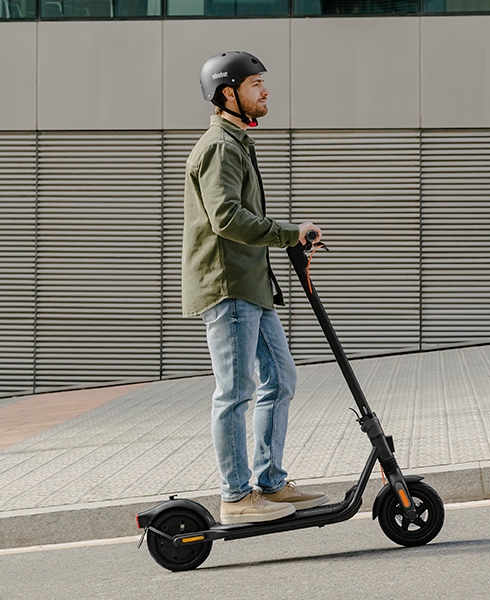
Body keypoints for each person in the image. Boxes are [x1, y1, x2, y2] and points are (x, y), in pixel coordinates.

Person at [182, 51, 329, 524]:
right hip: (227, 287)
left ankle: (269, 482)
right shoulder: (220, 146)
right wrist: (288, 232)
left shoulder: (239, 142)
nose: (265, 91)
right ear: (229, 93)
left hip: (251, 285)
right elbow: (225, 218)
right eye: (255, 84)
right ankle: (235, 496)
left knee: (280, 379)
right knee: (234, 392)